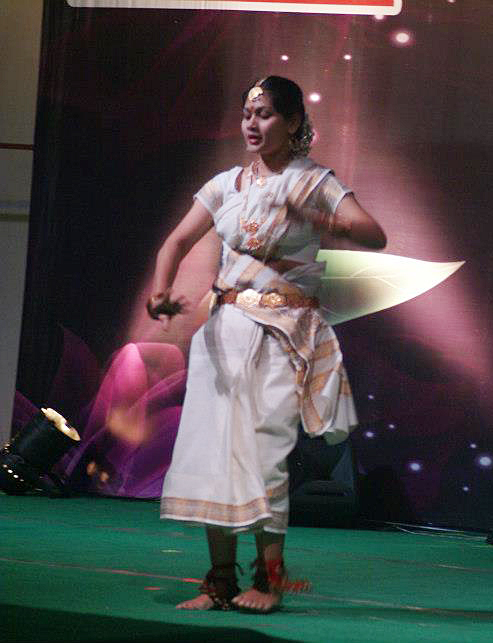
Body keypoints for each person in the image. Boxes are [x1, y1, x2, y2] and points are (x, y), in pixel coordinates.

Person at [148, 76, 386, 613]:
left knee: (264, 455)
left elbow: (374, 234)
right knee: (215, 454)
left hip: (283, 334)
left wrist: (321, 217)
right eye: (247, 115)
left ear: (293, 121)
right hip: (223, 335)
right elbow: (176, 242)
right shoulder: (226, 185)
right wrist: (161, 291)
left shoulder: (313, 181)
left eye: (265, 114)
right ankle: (218, 581)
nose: (252, 124)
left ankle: (270, 580)